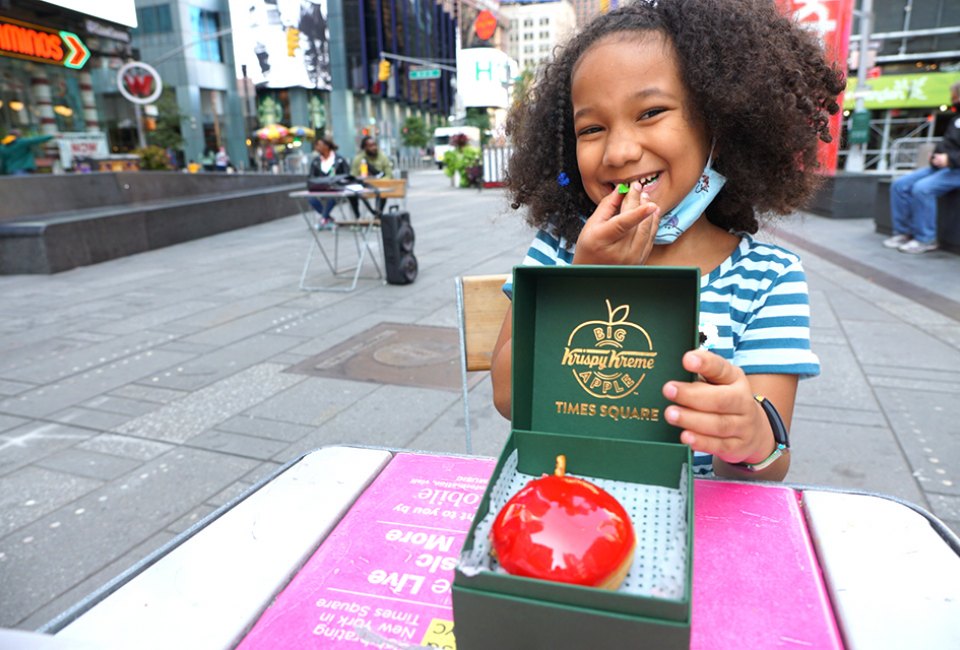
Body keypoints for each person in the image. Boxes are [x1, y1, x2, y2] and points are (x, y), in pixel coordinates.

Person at [490, 0, 845, 482]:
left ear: (717, 121)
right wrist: (585, 281)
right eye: (591, 128)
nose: (619, 152)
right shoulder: (558, 250)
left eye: (651, 112)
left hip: (697, 520)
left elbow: (763, 471)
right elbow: (510, 400)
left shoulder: (767, 280)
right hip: (567, 501)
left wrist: (749, 437)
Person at [883, 82, 960, 255]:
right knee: (899, 185)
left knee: (922, 189)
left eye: (955, 95)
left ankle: (926, 239)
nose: (953, 99)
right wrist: (936, 156)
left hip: (955, 169)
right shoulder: (956, 119)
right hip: (941, 168)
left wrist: (950, 159)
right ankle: (904, 232)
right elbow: (948, 143)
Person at [307, 135, 350, 228]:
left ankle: (323, 219)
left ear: (326, 146)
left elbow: (346, 174)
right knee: (311, 199)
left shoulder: (339, 160)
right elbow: (311, 177)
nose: (317, 148)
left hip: (336, 188)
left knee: (332, 197)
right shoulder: (316, 161)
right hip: (320, 189)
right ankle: (326, 218)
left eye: (319, 145)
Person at [350, 136, 394, 215]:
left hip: (379, 187)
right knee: (351, 195)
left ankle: (378, 215)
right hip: (363, 188)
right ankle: (357, 217)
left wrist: (377, 182)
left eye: (374, 145)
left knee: (382, 193)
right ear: (364, 147)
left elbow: (389, 174)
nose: (374, 148)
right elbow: (353, 176)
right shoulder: (359, 159)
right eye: (370, 146)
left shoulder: (382, 157)